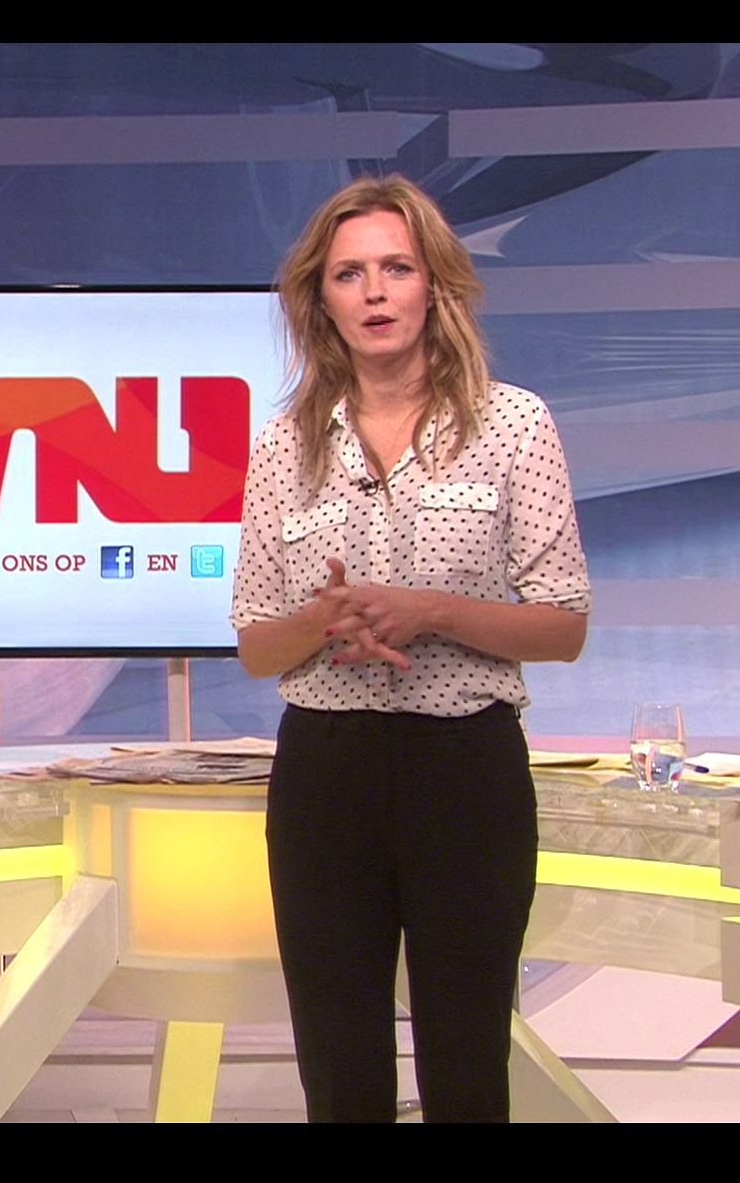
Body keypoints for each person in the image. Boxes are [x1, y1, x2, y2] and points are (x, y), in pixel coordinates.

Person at [231, 176, 591, 1122]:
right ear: (321, 299)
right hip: (326, 776)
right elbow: (258, 646)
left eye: (397, 268)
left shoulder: (514, 424)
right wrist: (327, 619)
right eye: (350, 274)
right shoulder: (282, 445)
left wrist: (432, 610)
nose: (376, 292)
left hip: (464, 769)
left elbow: (564, 625)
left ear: (436, 284)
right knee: (339, 1065)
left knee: (467, 1064)